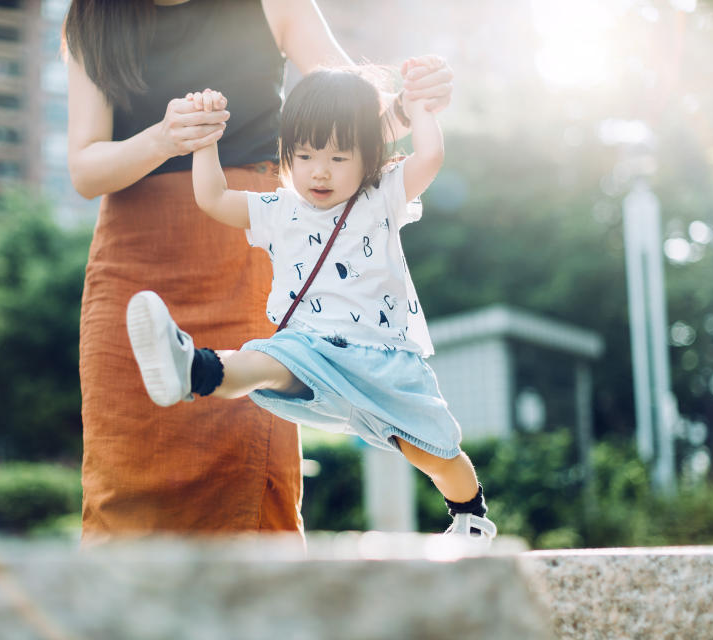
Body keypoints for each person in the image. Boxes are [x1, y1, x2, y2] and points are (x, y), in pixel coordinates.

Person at [64, 0, 456, 545]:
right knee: (123, 471)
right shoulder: (92, 15)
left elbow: (356, 127)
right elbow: (84, 170)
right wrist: (165, 138)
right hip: (134, 259)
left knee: (247, 474)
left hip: (250, 241)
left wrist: (415, 106)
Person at [126, 69, 497, 539]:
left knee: (435, 451)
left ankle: (470, 517)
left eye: (339, 157)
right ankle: (192, 368)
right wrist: (206, 141)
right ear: (287, 155)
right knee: (266, 360)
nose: (320, 171)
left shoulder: (381, 196)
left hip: (383, 359)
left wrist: (421, 108)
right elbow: (212, 198)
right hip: (312, 349)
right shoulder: (277, 210)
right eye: (305, 155)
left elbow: (431, 155)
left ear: (369, 157)